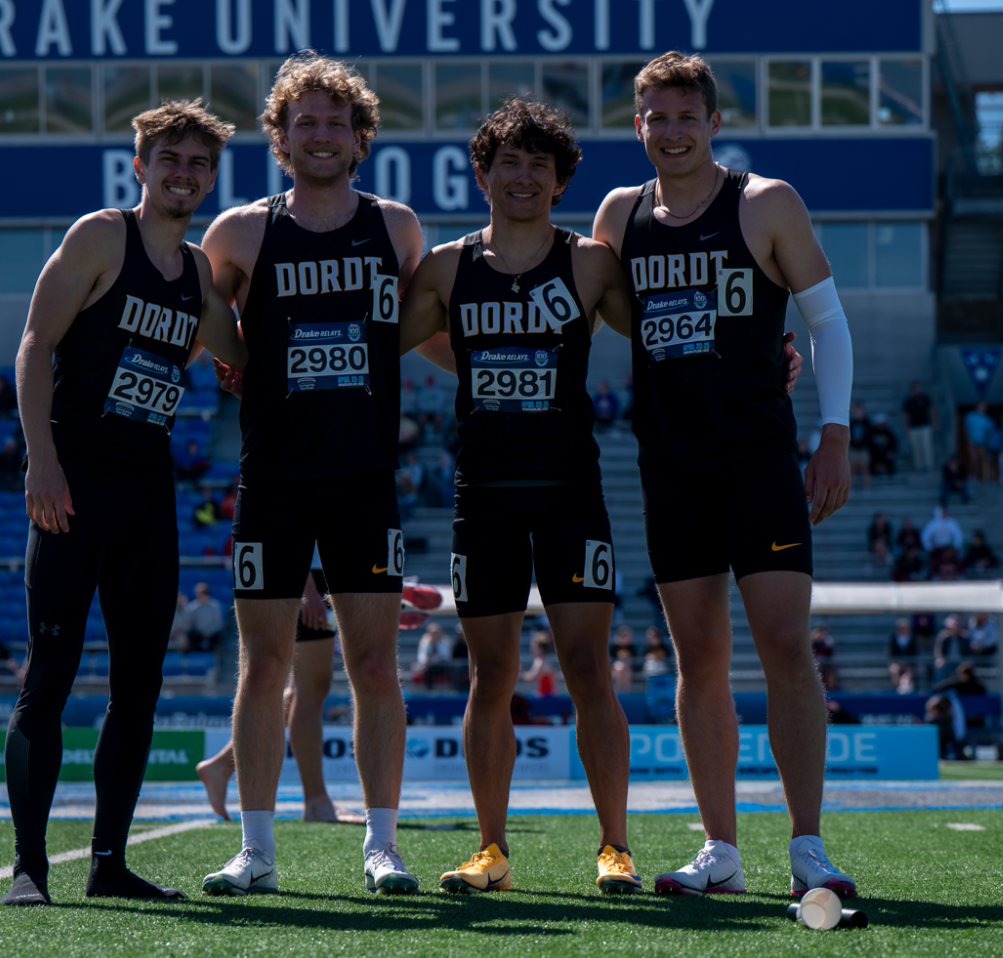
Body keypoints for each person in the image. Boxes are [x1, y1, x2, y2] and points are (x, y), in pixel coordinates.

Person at [591, 51, 856, 900]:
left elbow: (828, 322)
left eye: (684, 116)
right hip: (669, 466)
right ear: (637, 127)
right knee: (696, 657)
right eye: (654, 118)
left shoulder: (764, 202)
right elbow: (617, 314)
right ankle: (720, 850)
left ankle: (807, 844)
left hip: (755, 461)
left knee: (783, 645)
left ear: (713, 122)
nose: (670, 131)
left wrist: (835, 435)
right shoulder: (618, 213)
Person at [396, 99, 649, 896]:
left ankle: (614, 847)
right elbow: (372, 349)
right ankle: (491, 850)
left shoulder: (590, 265)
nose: (523, 177)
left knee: (587, 670)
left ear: (561, 181)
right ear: (482, 175)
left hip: (571, 496)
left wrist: (765, 356)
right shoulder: (444, 268)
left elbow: (670, 341)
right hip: (485, 501)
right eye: (509, 162)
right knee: (488, 674)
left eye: (539, 165)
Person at [4, 98, 243, 907]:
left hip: (147, 494)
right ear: (139, 166)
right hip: (72, 486)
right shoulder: (101, 235)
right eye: (169, 159)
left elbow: (235, 350)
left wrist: (242, 355)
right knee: (51, 679)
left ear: (211, 178)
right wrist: (41, 458)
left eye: (198, 165)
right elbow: (36, 343)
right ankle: (29, 868)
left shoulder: (199, 273)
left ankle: (108, 862)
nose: (184, 174)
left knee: (138, 687)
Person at [197, 54, 426, 899]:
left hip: (365, 481)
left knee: (375, 670)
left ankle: (382, 844)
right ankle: (256, 849)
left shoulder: (396, 226)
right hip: (275, 483)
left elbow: (434, 330)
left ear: (360, 135)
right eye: (305, 122)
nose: (321, 134)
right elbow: (199, 325)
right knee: (261, 668)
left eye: (336, 121)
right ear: (281, 138)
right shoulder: (240, 231)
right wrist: (228, 357)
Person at [196, 559, 366, 826]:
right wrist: (308, 589)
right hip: (306, 575)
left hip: (317, 575)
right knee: (307, 687)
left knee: (309, 686)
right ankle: (316, 800)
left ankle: (222, 765)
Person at [902, 380, 936, 472]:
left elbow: (931, 411)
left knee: (926, 446)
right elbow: (905, 416)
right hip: (913, 427)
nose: (916, 389)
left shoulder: (925, 398)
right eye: (914, 388)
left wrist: (935, 423)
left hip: (925, 426)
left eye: (917, 387)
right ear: (911, 389)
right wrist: (906, 428)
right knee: (916, 448)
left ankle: (928, 465)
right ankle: (919, 466)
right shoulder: (908, 401)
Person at [182, 581, 224, 652]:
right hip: (198, 635)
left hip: (212, 635)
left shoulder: (215, 606)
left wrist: (208, 632)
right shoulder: (192, 607)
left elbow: (218, 623)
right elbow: (190, 623)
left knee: (218, 637)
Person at [887, 617, 920, 693]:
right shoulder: (894, 638)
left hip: (909, 663)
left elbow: (914, 653)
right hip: (897, 663)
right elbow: (891, 652)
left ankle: (905, 689)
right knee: (894, 670)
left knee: (908, 673)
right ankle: (898, 688)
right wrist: (899, 661)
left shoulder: (912, 639)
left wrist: (907, 661)